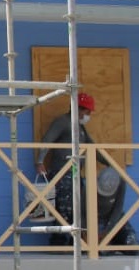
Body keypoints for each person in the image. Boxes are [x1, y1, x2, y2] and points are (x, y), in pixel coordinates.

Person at [34, 92, 96, 246]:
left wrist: (108, 162)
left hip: (75, 175)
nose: (88, 116)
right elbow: (47, 140)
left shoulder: (80, 128)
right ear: (78, 109)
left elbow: (92, 146)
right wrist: (40, 161)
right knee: (63, 209)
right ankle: (58, 242)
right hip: (62, 175)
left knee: (78, 208)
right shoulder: (62, 122)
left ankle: (73, 242)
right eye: (86, 112)